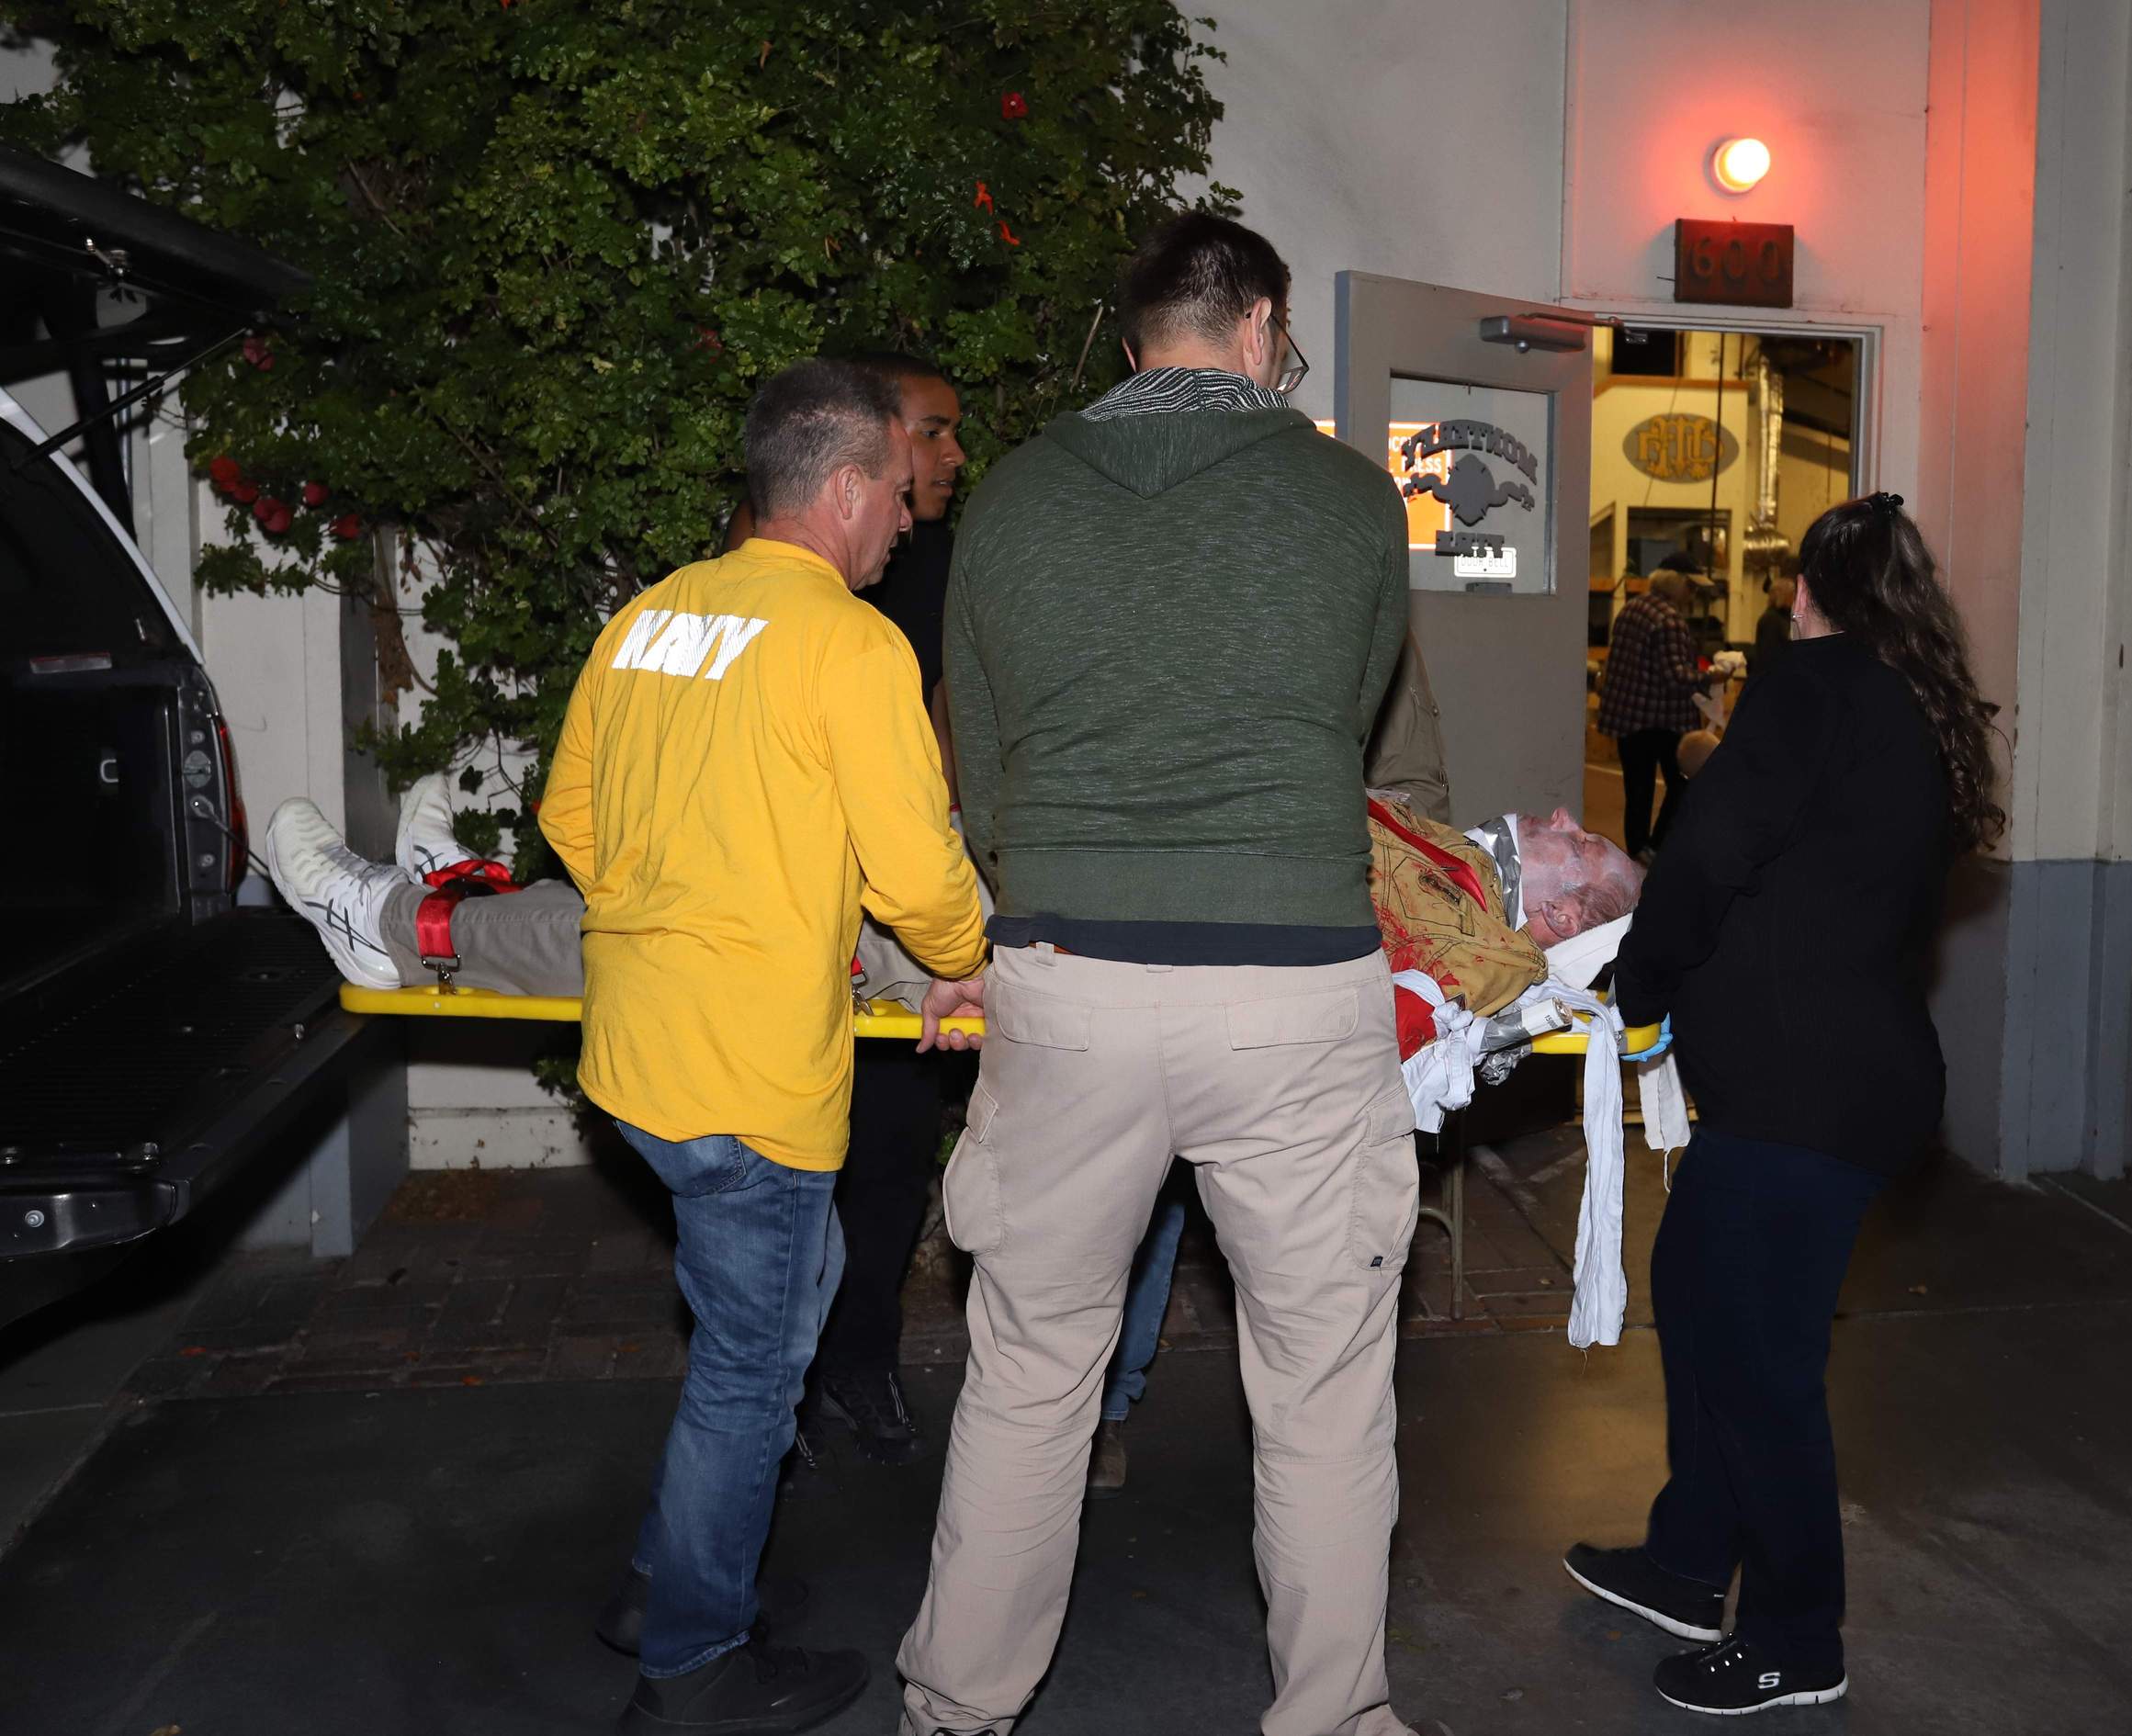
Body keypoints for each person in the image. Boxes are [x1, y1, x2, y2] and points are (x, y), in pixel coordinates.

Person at [897, 210, 1421, 1736]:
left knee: (1030, 1367)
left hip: (1068, 973)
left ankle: (955, 1711)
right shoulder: (1347, 495)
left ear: (1134, 341)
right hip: (1291, 981)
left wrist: (1043, 889)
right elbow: (1356, 711)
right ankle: (1333, 1719)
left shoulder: (1012, 495)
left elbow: (981, 760)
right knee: (1321, 1385)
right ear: (1259, 327)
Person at [553, 357, 988, 1736]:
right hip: (749, 1076)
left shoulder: (649, 617)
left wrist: (685, 904)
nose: (908, 519)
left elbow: (570, 814)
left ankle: (666, 1581)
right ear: (846, 488)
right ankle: (690, 1666)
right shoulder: (850, 645)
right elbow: (916, 869)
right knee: (753, 1367)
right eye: (897, 494)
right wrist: (965, 961)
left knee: (787, 1303)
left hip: (639, 1054)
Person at [1562, 493, 2004, 1718]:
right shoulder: (1911, 704)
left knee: (1757, 1361)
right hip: (1830, 1081)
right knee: (1704, 1298)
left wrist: (1643, 985)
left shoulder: (1812, 686)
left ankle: (1797, 1636)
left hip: (1803, 1095)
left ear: (1805, 592)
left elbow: (1708, 851)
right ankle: (1685, 1561)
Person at [1084, 801, 1645, 1493]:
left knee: (1277, 1323)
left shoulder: (1488, 946)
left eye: (1581, 844)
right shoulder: (1453, 865)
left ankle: (1121, 1411)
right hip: (1185, 997)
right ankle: (1111, 1409)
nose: (1562, 818)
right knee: (1144, 1222)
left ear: (1563, 915)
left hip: (1240, 1058)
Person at [1598, 567, 1712, 861]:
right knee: (1683, 783)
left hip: (1627, 718)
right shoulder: (1669, 619)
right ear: (1677, 585)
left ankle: (1637, 852)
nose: (1693, 594)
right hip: (1663, 721)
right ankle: (1657, 847)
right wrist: (1711, 676)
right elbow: (1676, 677)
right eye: (1691, 587)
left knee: (1638, 791)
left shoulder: (1631, 609)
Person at [1750, 566, 1798, 677]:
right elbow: (1769, 653)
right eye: (1792, 595)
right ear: (1783, 596)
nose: (1795, 599)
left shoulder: (1785, 617)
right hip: (1773, 676)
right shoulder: (1771, 619)